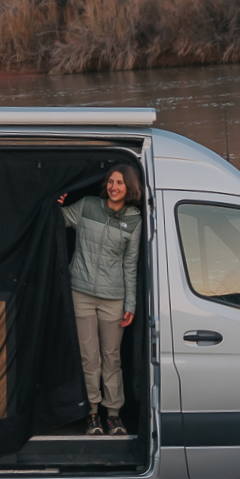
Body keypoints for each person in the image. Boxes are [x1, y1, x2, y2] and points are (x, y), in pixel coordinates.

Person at [58, 164, 143, 436]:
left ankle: (114, 415)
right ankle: (92, 413)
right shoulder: (87, 205)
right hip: (80, 293)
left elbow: (130, 265)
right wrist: (54, 203)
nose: (113, 187)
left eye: (120, 183)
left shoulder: (134, 220)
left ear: (129, 187)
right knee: (89, 359)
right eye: (111, 182)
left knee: (112, 358)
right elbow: (57, 221)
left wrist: (130, 304)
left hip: (113, 300)